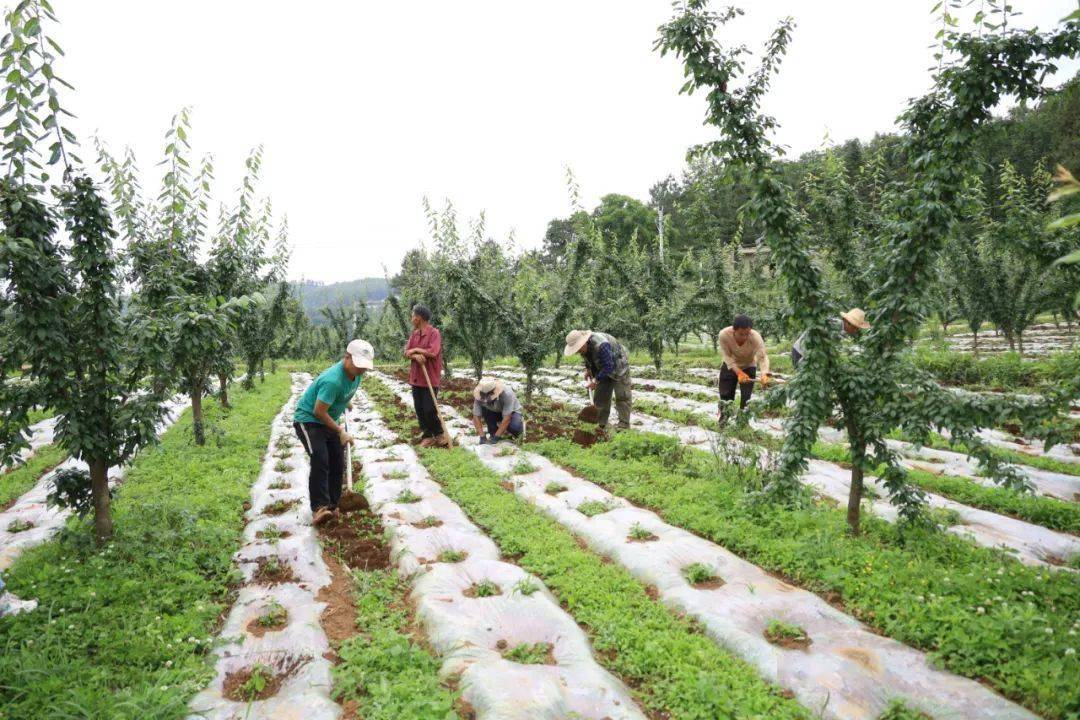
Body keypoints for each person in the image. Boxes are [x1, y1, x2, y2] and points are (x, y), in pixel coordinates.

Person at [293, 339, 373, 525]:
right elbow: (319, 412)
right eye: (359, 365)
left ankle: (333, 504)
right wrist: (340, 431)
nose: (362, 369)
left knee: (337, 460)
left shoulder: (356, 375)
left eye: (364, 366)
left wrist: (344, 401)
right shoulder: (332, 380)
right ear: (347, 357)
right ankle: (319, 508)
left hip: (328, 420)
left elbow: (342, 392)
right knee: (320, 458)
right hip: (309, 421)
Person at [564, 329, 632, 433]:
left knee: (622, 396)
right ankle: (601, 424)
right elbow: (588, 358)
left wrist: (595, 380)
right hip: (603, 367)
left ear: (583, 342)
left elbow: (608, 366)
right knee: (600, 396)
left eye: (578, 348)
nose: (577, 351)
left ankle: (624, 425)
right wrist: (588, 370)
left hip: (618, 366)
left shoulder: (602, 345)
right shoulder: (585, 348)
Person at [403, 304, 449, 448]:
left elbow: (433, 352)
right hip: (416, 377)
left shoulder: (434, 333)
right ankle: (427, 436)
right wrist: (415, 355)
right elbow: (406, 352)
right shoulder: (414, 334)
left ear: (418, 318)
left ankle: (439, 433)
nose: (411, 319)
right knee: (419, 409)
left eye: (413, 316)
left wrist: (416, 349)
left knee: (429, 409)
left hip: (430, 377)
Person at [717, 315, 771, 414]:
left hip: (749, 365)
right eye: (741, 334)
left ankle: (743, 420)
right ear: (734, 330)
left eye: (747, 334)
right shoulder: (724, 335)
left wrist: (764, 373)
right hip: (730, 365)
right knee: (725, 395)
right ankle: (724, 418)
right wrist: (739, 372)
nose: (745, 337)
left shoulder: (756, 337)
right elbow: (727, 356)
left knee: (746, 398)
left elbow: (763, 358)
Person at [791, 308, 870, 368]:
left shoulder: (841, 329)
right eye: (855, 327)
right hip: (801, 351)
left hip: (808, 353)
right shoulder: (833, 325)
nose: (856, 331)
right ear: (847, 322)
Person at [472, 377, 524, 443]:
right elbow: (476, 415)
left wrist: (497, 437)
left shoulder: (507, 394)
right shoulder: (479, 395)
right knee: (485, 410)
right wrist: (482, 436)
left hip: (512, 412)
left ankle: (504, 432)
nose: (485, 400)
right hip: (493, 411)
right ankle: (493, 432)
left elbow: (507, 418)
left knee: (515, 427)